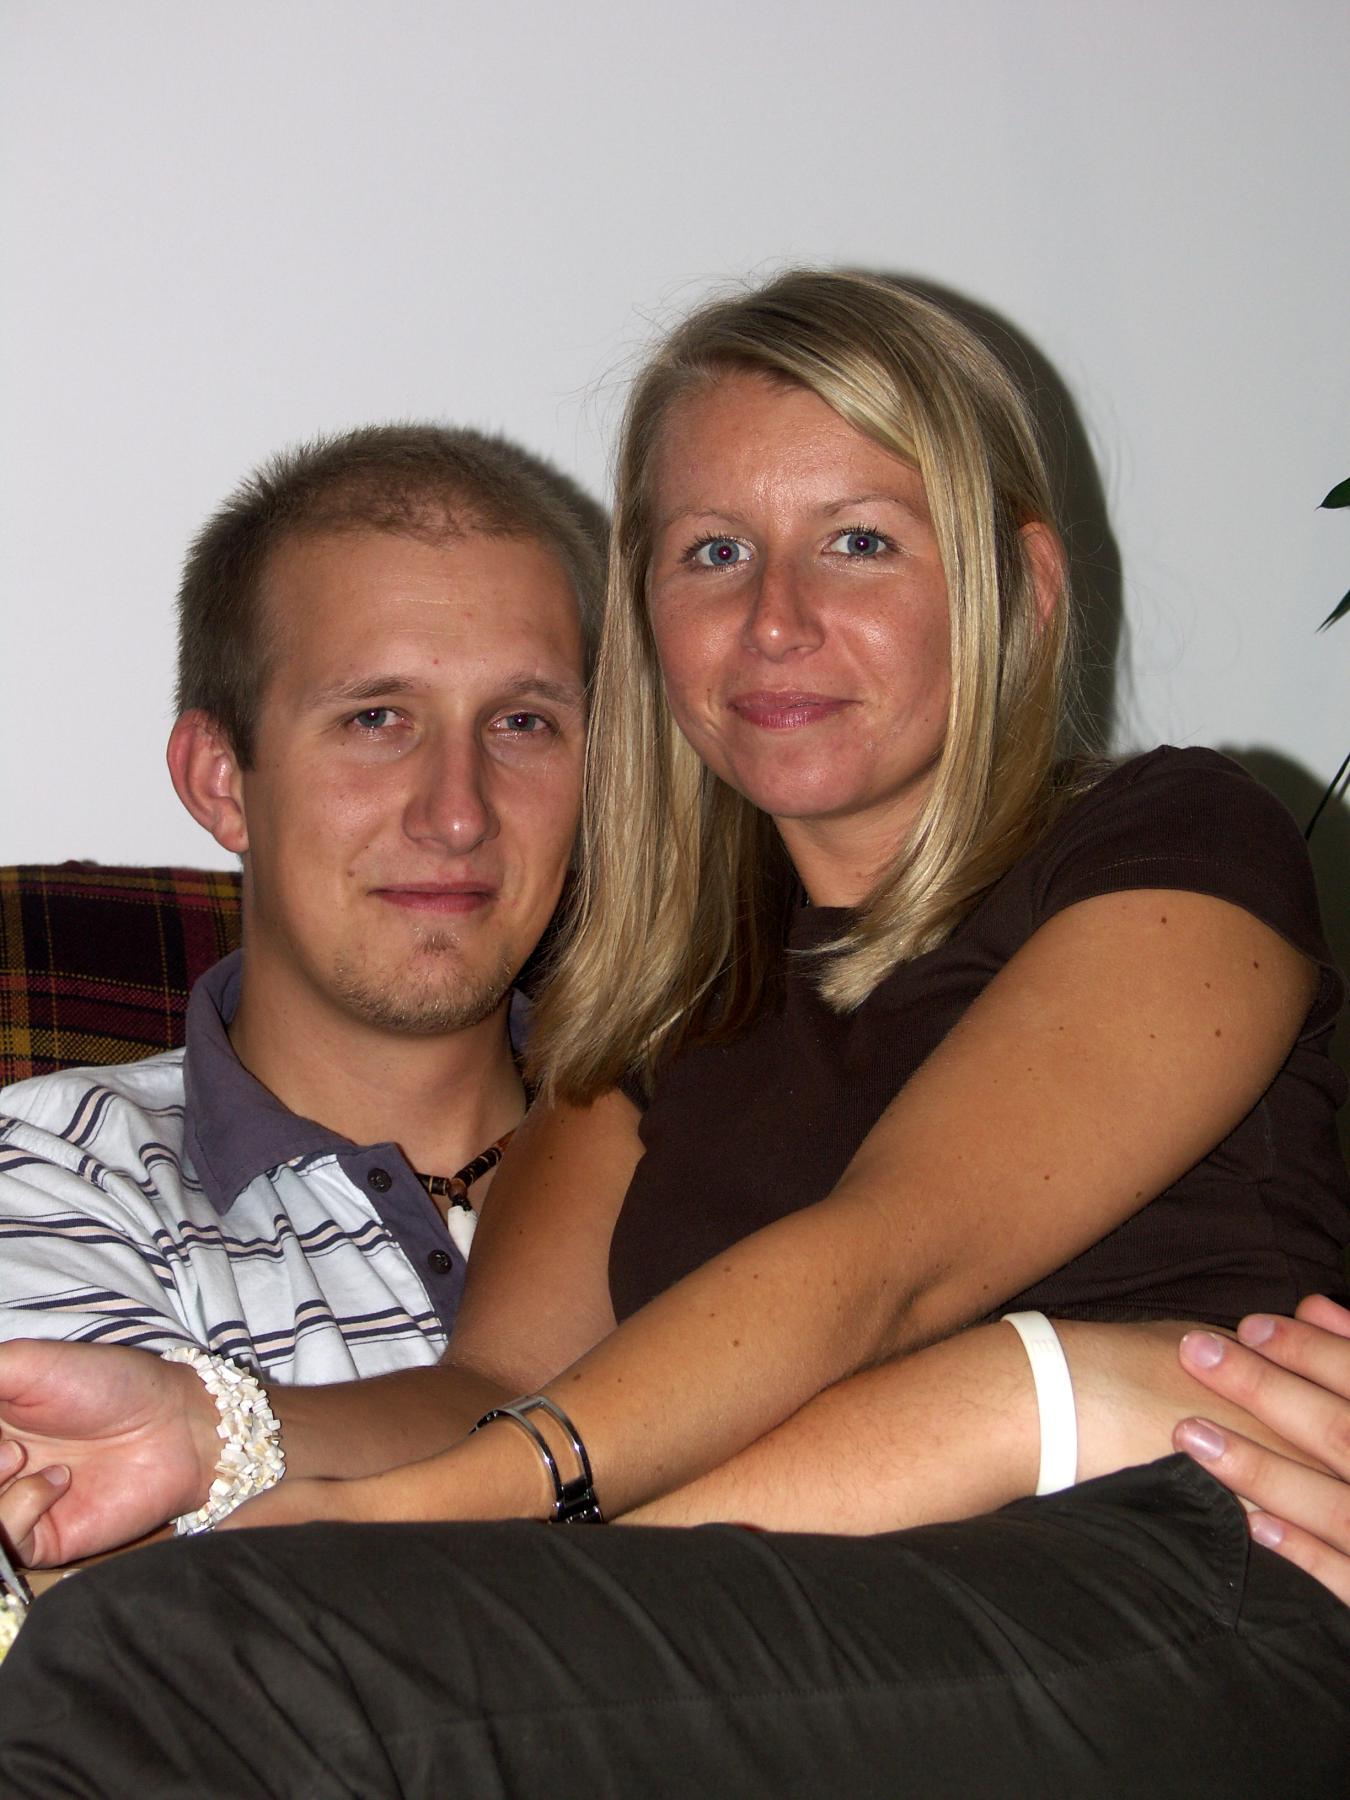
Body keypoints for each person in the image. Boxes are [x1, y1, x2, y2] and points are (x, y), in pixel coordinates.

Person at [2, 271, 1349, 1795]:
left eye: (857, 541)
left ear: (1018, 587)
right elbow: (496, 1386)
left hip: (1162, 1583)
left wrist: (407, 1531)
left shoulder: (1172, 841)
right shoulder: (653, 1000)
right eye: (713, 552)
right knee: (160, 1649)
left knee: (180, 1654)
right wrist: (221, 1430)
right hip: (788, 1621)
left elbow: (888, 1264)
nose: (775, 620)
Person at [0, 423, 603, 1403]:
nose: (458, 814)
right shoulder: (56, 1185)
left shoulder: (710, 1142)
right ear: (221, 780)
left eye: (522, 722)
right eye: (377, 719)